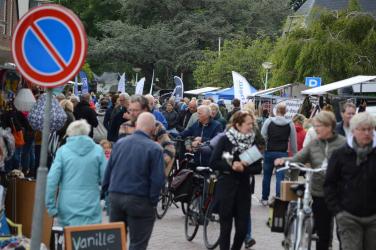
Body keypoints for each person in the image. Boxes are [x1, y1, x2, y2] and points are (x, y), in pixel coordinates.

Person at [275, 111, 346, 250]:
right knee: (323, 233)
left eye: (319, 126)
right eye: (315, 126)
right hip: (319, 192)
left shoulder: (342, 144)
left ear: (329, 126)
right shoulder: (314, 144)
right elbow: (299, 157)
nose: (315, 129)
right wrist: (284, 160)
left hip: (339, 192)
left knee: (342, 230)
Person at [102, 112, 165, 250]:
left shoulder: (119, 143)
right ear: (153, 129)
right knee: (138, 243)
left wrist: (107, 191)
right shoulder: (154, 148)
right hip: (140, 198)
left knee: (116, 241)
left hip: (116, 196)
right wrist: (153, 202)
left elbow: (109, 170)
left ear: (136, 125)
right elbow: (158, 179)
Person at [210, 111, 262, 250]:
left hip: (244, 190)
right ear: (238, 125)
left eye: (252, 123)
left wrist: (245, 167)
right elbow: (214, 162)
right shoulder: (225, 140)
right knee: (225, 229)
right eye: (248, 124)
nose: (251, 126)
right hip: (226, 188)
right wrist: (231, 165)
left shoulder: (253, 142)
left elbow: (258, 167)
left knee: (242, 229)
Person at [324, 112, 376, 250]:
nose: (367, 133)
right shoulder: (340, 155)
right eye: (362, 129)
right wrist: (338, 212)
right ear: (353, 131)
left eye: (370, 129)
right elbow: (329, 184)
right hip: (348, 216)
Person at [45, 120, 107, 226]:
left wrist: (51, 206)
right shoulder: (98, 151)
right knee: (90, 238)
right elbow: (106, 178)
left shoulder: (63, 151)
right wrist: (108, 202)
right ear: (87, 132)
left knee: (69, 239)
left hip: (67, 205)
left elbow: (52, 180)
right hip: (91, 204)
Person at [261, 103, 297, 204]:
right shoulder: (290, 124)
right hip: (282, 153)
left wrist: (262, 151)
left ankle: (264, 198)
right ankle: (278, 198)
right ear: (285, 112)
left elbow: (262, 137)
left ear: (276, 111)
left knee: (267, 176)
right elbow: (293, 142)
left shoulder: (268, 121)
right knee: (280, 177)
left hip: (269, 152)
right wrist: (294, 155)